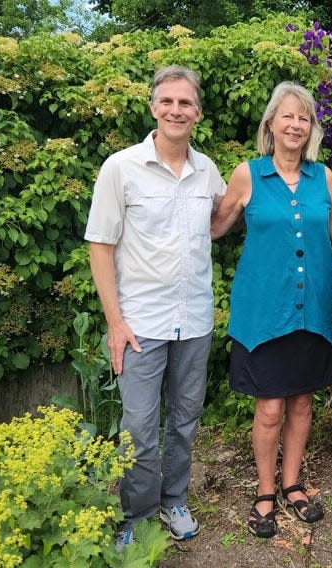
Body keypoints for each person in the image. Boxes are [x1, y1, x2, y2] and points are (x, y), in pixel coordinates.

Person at [85, 65, 226, 549]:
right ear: (152, 107)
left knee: (185, 419)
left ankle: (174, 499)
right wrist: (115, 322)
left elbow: (220, 220)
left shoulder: (207, 170)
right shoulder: (120, 168)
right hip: (139, 324)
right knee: (140, 429)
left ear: (197, 113)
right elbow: (100, 245)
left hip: (195, 321)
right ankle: (137, 515)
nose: (176, 110)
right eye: (167, 101)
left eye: (185, 103)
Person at [210, 81, 332, 538]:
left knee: (301, 404)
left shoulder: (323, 177)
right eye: (287, 116)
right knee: (270, 408)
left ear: (310, 127)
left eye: (304, 117)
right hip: (264, 312)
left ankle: (293, 485)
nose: (295, 124)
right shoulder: (247, 175)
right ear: (271, 123)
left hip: (312, 311)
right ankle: (265, 491)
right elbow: (214, 228)